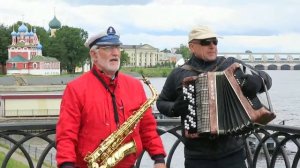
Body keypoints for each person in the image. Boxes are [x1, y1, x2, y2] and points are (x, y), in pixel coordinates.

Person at [156, 26, 272, 168]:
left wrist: (259, 81)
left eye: (215, 42)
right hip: (197, 157)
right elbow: (161, 103)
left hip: (233, 153)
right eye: (206, 42)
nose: (212, 46)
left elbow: (266, 79)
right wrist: (174, 108)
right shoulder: (179, 74)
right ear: (192, 47)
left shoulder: (230, 64)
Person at [56, 26, 166, 168]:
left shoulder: (135, 86)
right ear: (94, 55)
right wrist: (66, 164)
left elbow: (148, 127)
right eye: (108, 48)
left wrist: (159, 158)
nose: (115, 53)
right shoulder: (76, 89)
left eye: (117, 47)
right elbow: (66, 134)